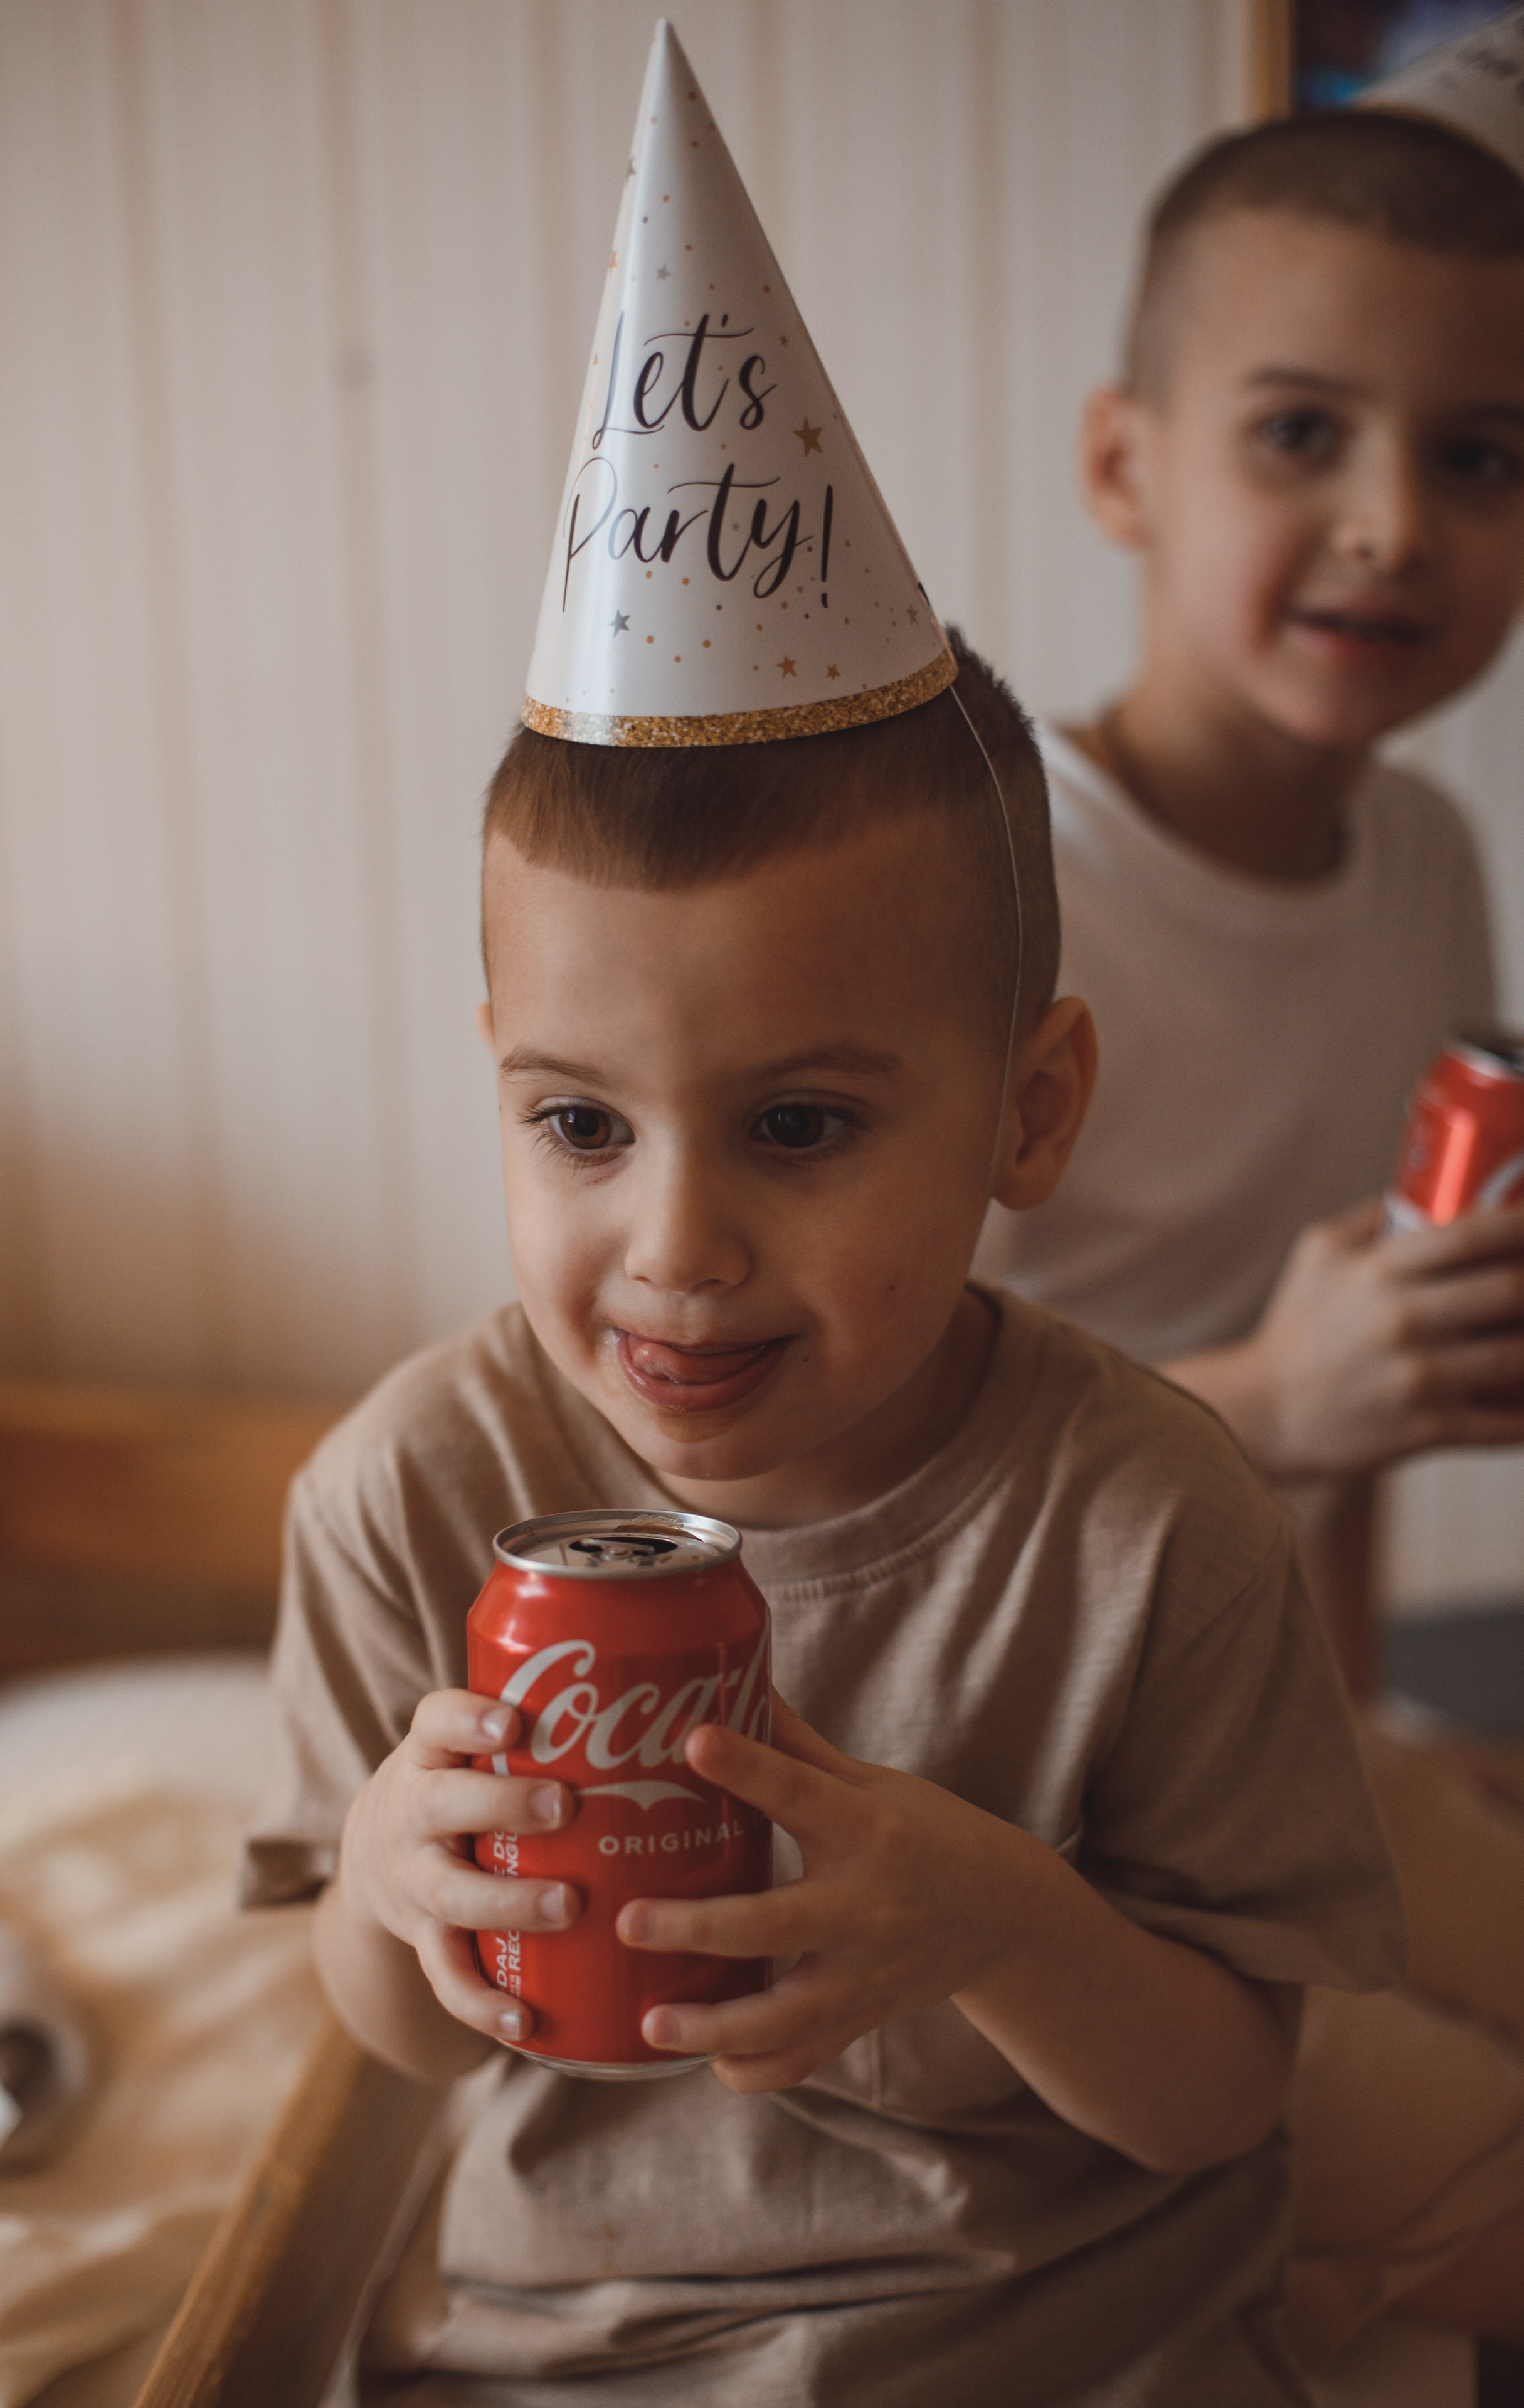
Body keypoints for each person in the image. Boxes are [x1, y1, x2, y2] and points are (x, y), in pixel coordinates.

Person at [240, 29, 1400, 2397]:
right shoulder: (405, 1501)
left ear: (1029, 1112)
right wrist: (385, 1897)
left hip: (1074, 2347)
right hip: (582, 2354)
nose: (669, 1247)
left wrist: (1003, 1918)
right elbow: (390, 2047)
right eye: (580, 1126)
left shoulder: (1149, 1517)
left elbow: (1227, 2091)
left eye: (797, 1126)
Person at [973, 107, 1524, 2365]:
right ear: (1125, 466)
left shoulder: (1426, 863)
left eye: (1486, 455)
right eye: (1303, 432)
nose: (1395, 523)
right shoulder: (992, 885)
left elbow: (1362, 1396)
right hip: (1014, 1798)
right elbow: (845, 1460)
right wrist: (1278, 1400)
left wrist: (1373, 1709)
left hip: (1268, 1737)